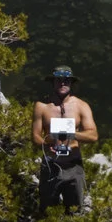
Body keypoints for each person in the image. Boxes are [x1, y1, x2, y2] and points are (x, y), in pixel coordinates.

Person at [32, 65, 98, 209]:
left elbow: (93, 135)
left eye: (66, 80)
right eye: (58, 80)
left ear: (71, 82)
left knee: (75, 210)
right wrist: (48, 144)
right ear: (53, 82)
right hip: (51, 164)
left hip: (73, 164)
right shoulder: (41, 106)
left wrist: (71, 134)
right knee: (48, 210)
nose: (63, 83)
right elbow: (35, 136)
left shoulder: (81, 106)